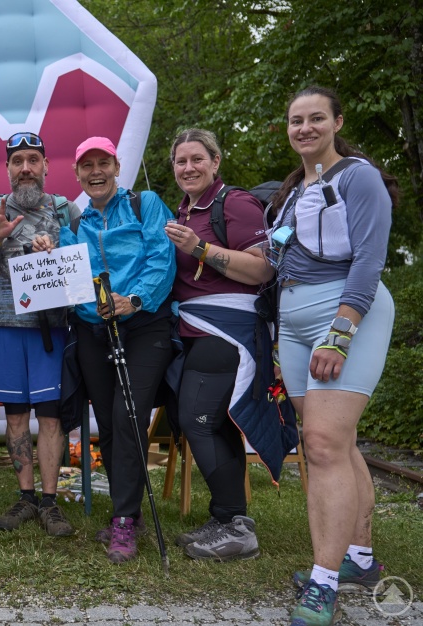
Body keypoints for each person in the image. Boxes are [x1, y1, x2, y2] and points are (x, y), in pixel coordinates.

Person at [269, 87, 396, 626]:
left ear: (336, 121)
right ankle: (360, 558)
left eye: (316, 118)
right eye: (296, 121)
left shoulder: (357, 176)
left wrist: (341, 332)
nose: (305, 128)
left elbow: (369, 259)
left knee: (320, 444)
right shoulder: (297, 188)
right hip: (293, 321)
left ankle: (323, 584)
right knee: (332, 442)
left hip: (343, 313)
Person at [164, 128, 283, 562]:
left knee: (195, 420)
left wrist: (200, 248)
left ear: (215, 162)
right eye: (181, 161)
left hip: (227, 329)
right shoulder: (186, 207)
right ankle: (230, 521)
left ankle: (235, 525)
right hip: (195, 329)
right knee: (213, 423)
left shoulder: (234, 203)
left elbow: (261, 270)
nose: (188, 167)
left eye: (197, 159)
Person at [59, 136, 175, 561]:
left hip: (144, 325)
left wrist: (135, 300)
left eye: (102, 163)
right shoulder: (73, 224)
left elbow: (161, 258)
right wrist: (47, 250)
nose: (95, 172)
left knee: (129, 416)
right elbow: (65, 279)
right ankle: (130, 509)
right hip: (95, 330)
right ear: (77, 174)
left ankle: (123, 520)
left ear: (116, 165)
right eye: (86, 165)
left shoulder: (145, 204)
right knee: (107, 424)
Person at [0, 131, 80, 537]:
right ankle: (26, 496)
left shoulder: (66, 210)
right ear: (8, 169)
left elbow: (81, 266)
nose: (26, 168)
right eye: (18, 161)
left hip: (51, 328)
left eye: (33, 159)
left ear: (47, 166)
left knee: (51, 417)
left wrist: (57, 252)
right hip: (6, 327)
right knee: (15, 415)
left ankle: (50, 502)